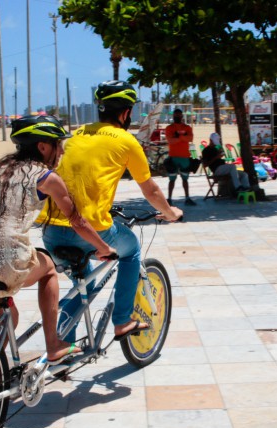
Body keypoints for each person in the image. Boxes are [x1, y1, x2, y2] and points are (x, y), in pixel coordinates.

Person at [0, 115, 116, 366]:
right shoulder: (46, 177)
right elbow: (78, 221)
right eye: (58, 144)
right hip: (8, 261)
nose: (61, 151)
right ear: (43, 146)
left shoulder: (1, 171)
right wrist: (104, 247)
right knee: (49, 269)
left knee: (5, 326)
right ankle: (53, 345)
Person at [37, 80, 182, 342]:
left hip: (51, 231)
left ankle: (62, 349)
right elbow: (150, 191)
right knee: (131, 251)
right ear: (125, 113)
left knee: (83, 286)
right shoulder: (127, 141)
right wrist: (170, 212)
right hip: (90, 229)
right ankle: (123, 320)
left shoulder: (75, 135)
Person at [165, 108, 195, 205]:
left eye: (179, 115)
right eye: (175, 115)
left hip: (184, 157)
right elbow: (170, 141)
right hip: (173, 156)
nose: (177, 117)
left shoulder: (187, 128)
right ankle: (169, 198)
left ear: (182, 116)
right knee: (172, 179)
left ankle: (187, 198)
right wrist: (183, 137)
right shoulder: (169, 128)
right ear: (173, 116)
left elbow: (190, 138)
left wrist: (178, 137)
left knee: (185, 179)